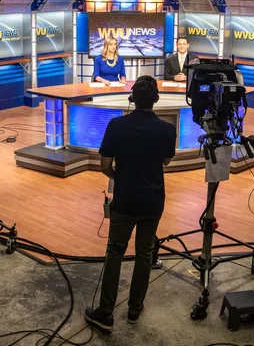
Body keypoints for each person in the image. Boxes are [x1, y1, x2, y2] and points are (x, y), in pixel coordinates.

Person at [85, 76, 177, 332]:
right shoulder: (168, 129)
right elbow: (166, 161)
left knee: (115, 251)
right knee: (145, 253)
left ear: (132, 98)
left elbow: (104, 165)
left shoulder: (116, 125)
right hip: (153, 200)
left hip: (125, 199)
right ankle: (135, 309)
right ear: (156, 99)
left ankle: (105, 312)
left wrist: (121, 176)